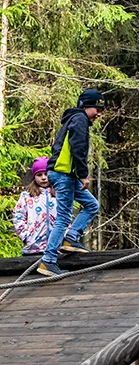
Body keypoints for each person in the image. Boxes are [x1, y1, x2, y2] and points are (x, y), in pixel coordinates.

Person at [38, 89, 105, 276]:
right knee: (63, 217)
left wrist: (52, 176)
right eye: (97, 108)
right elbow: (78, 148)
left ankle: (72, 237)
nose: (99, 113)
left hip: (63, 174)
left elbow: (57, 148)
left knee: (92, 205)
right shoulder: (80, 119)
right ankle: (48, 261)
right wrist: (84, 174)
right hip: (64, 174)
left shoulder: (73, 119)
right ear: (85, 105)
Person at [12, 157, 57, 255]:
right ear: (34, 177)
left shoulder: (59, 194)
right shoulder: (27, 195)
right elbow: (18, 215)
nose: (44, 177)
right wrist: (25, 236)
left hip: (56, 248)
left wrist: (66, 235)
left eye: (46, 174)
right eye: (39, 175)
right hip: (33, 248)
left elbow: (66, 216)